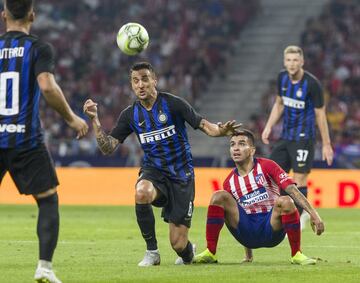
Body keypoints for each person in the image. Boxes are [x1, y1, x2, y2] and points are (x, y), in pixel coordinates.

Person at [83, 61, 241, 266]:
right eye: (135, 81)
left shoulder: (174, 104)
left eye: (145, 79)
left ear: (154, 80)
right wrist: (94, 120)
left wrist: (221, 131)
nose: (140, 85)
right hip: (154, 172)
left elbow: (204, 125)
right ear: (131, 85)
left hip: (182, 176)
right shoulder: (130, 115)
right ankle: (152, 252)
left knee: (178, 245)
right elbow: (107, 147)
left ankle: (188, 252)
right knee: (141, 192)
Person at [0, 1, 88, 282]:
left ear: (3, 14)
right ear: (32, 15)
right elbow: (47, 86)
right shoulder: (39, 48)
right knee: (48, 200)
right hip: (26, 140)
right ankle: (44, 268)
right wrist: (72, 118)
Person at [194, 129, 324, 265]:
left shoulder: (267, 166)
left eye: (242, 144)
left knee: (285, 200)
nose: (236, 148)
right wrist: (248, 255)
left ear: (252, 150)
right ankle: (210, 252)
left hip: (271, 228)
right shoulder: (229, 181)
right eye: (232, 144)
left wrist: (314, 214)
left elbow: (292, 189)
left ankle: (297, 254)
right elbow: (240, 212)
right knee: (218, 196)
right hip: (247, 234)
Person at [261, 45, 333, 229]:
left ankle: (300, 218)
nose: (292, 64)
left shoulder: (312, 84)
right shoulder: (282, 78)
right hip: (286, 137)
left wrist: (326, 144)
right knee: (272, 175)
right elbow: (279, 104)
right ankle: (274, 214)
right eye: (289, 60)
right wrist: (268, 126)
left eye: (295, 60)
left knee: (299, 179)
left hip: (304, 138)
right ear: (284, 62)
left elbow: (320, 114)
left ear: (302, 62)